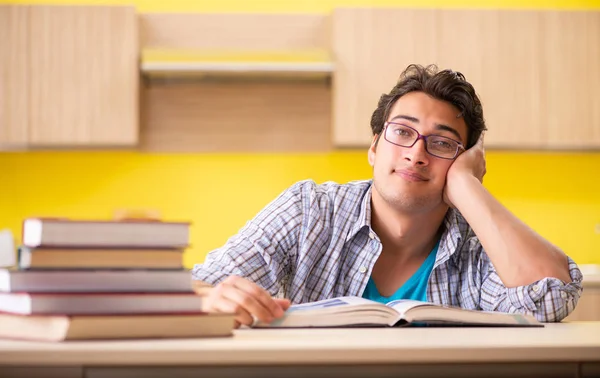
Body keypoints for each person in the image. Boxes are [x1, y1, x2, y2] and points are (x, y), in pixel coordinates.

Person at [192, 64, 583, 327]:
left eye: (443, 143)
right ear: (374, 148)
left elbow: (549, 301)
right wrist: (212, 299)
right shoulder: (309, 210)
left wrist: (468, 188)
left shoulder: (481, 241)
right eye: (402, 132)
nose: (416, 152)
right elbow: (194, 288)